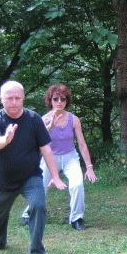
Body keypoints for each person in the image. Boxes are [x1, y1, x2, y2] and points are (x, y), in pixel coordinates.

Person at [0, 81, 66, 254]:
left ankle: (37, 252)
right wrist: (5, 139)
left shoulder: (34, 119)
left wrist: (55, 176)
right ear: (1, 99)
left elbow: (46, 149)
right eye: (9, 98)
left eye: (17, 98)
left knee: (38, 206)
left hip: (30, 176)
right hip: (2, 179)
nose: (13, 102)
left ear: (23, 98)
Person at [21, 84, 97, 231]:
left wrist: (89, 167)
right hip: (49, 157)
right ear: (50, 101)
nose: (59, 102)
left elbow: (82, 144)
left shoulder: (74, 120)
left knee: (77, 185)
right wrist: (49, 126)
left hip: (70, 157)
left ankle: (77, 218)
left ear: (67, 101)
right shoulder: (43, 119)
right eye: (56, 99)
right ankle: (28, 213)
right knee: (40, 187)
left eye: (63, 99)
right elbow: (38, 144)